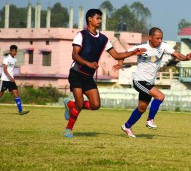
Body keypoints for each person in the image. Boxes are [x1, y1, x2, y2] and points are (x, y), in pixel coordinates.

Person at [63, 9, 146, 138]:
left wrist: (133, 53)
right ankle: (69, 129)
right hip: (77, 73)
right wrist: (88, 63)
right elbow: (74, 55)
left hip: (88, 77)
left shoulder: (103, 39)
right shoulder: (82, 35)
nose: (100, 21)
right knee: (80, 103)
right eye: (98, 18)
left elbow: (117, 55)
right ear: (90, 19)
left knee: (95, 105)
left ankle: (69, 104)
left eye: (101, 19)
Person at [116, 27, 191, 138]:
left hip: (149, 82)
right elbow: (124, 54)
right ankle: (150, 120)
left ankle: (127, 126)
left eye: (161, 38)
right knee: (160, 96)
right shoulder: (142, 47)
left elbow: (177, 55)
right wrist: (120, 63)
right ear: (150, 37)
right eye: (157, 38)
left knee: (142, 108)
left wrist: (186, 58)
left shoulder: (163, 46)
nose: (159, 41)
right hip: (139, 81)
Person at [0, 45, 30, 115]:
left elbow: (10, 70)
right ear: (10, 51)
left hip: (11, 80)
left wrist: (12, 78)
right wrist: (10, 78)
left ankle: (20, 111)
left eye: (15, 51)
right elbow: (5, 70)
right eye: (13, 51)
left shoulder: (14, 60)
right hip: (5, 80)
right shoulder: (6, 58)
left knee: (16, 93)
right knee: (0, 94)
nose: (14, 52)